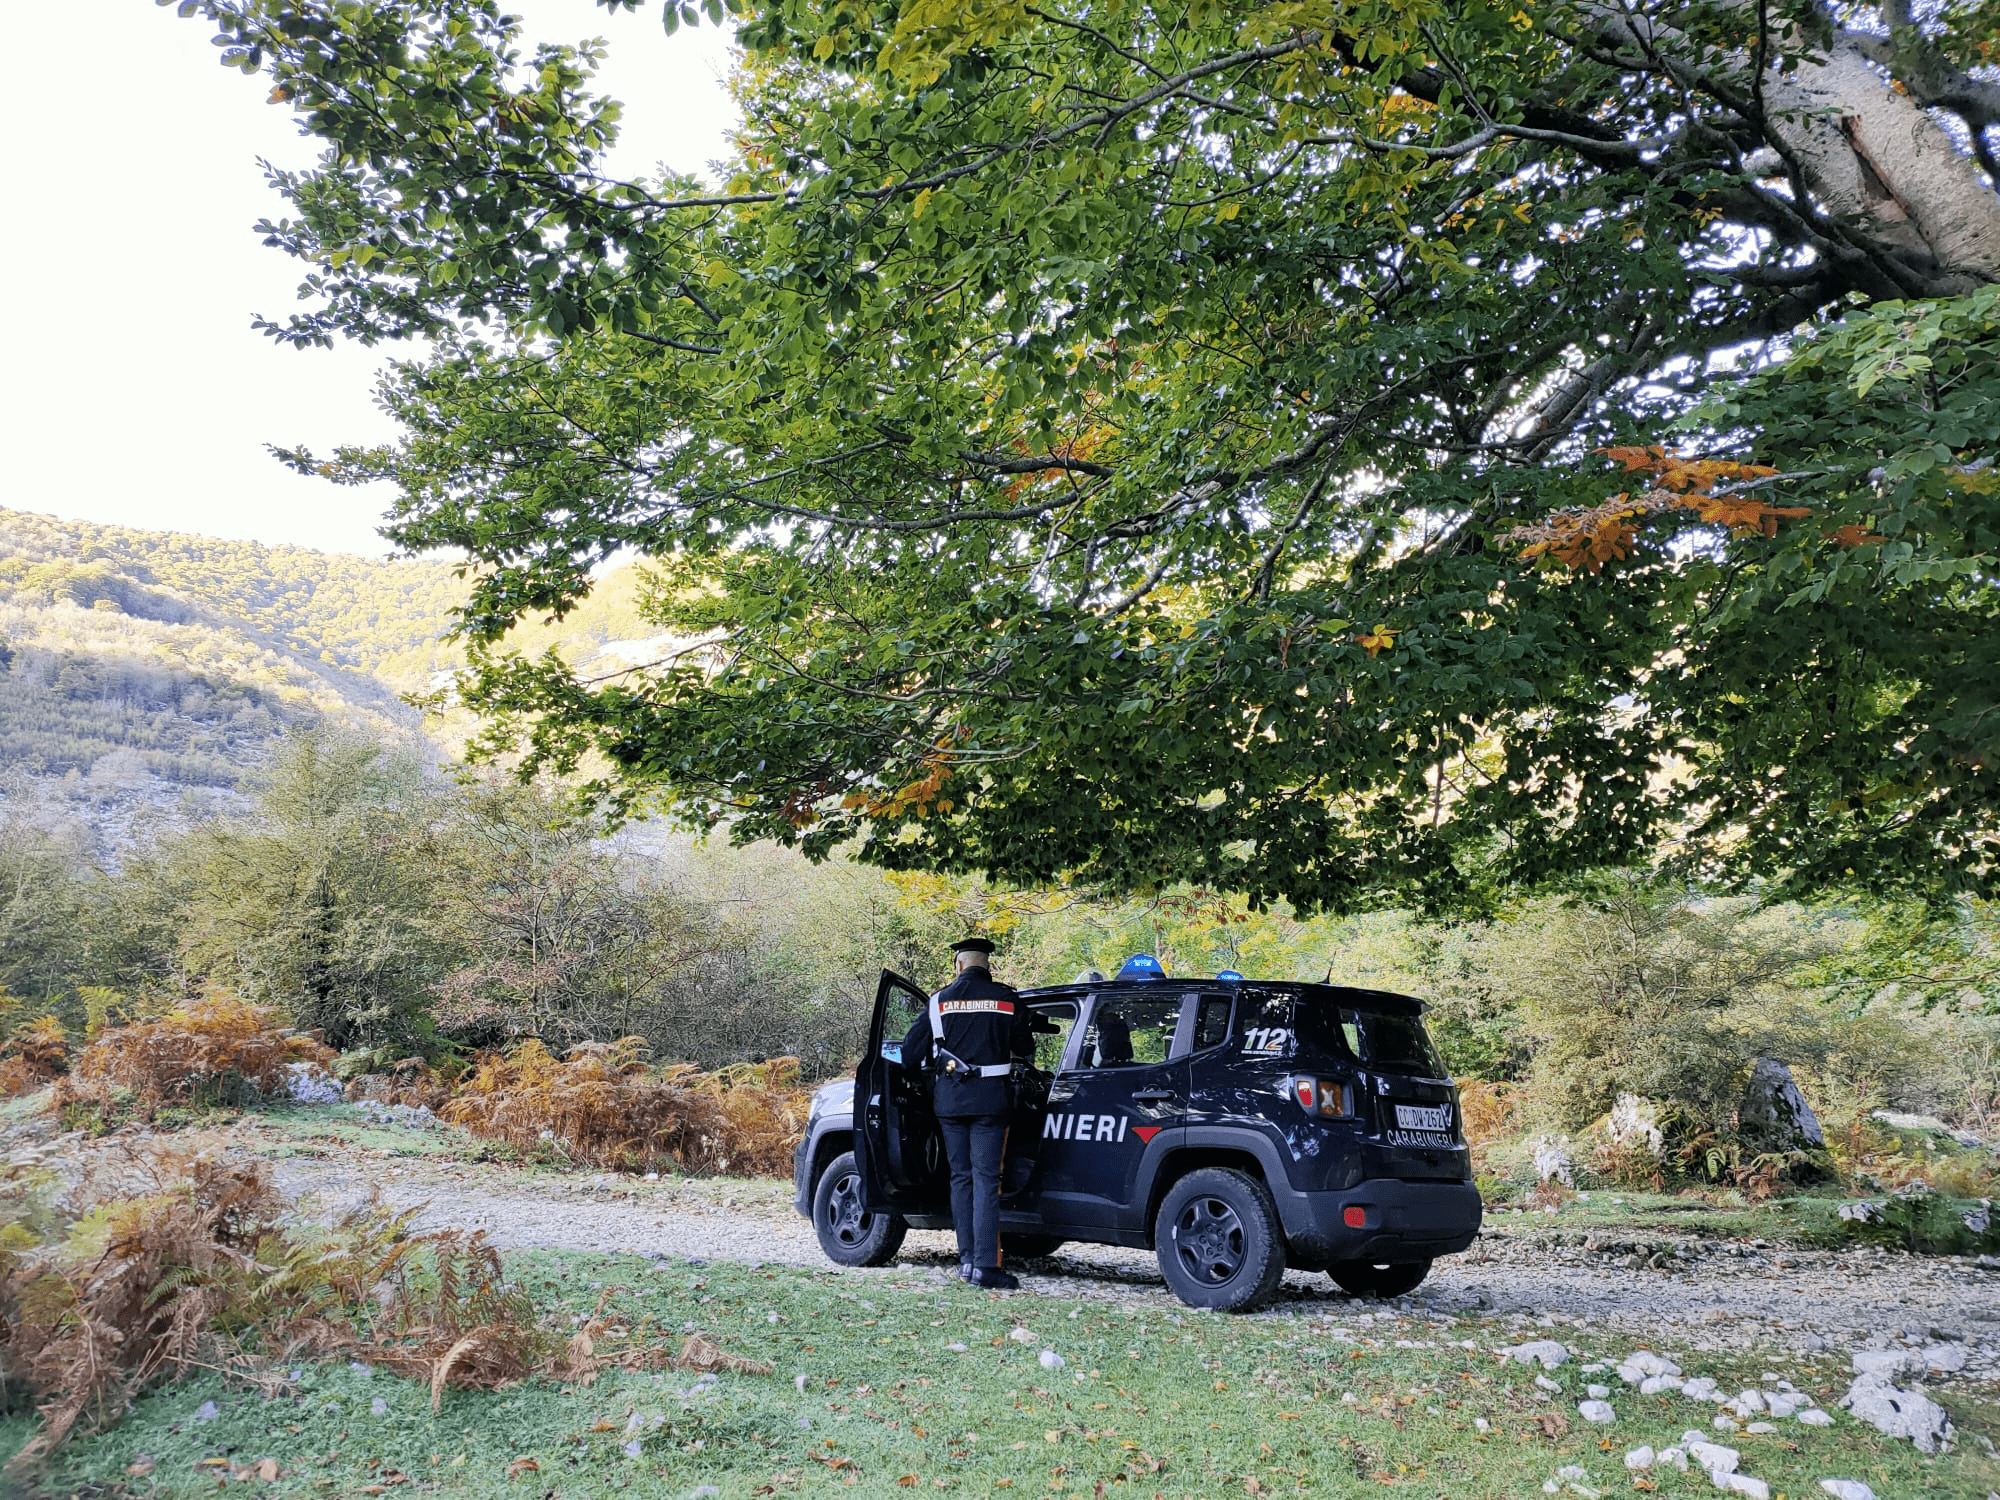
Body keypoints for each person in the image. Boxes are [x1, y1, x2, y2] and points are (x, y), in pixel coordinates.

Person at [901, 936, 1035, 1289]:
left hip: (949, 1104)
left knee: (960, 1178)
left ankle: (966, 1262)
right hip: (991, 1103)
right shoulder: (1007, 999)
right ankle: (986, 1267)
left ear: (959, 965)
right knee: (987, 1180)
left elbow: (909, 1055)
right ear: (987, 965)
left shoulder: (938, 1003)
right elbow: (1026, 1047)